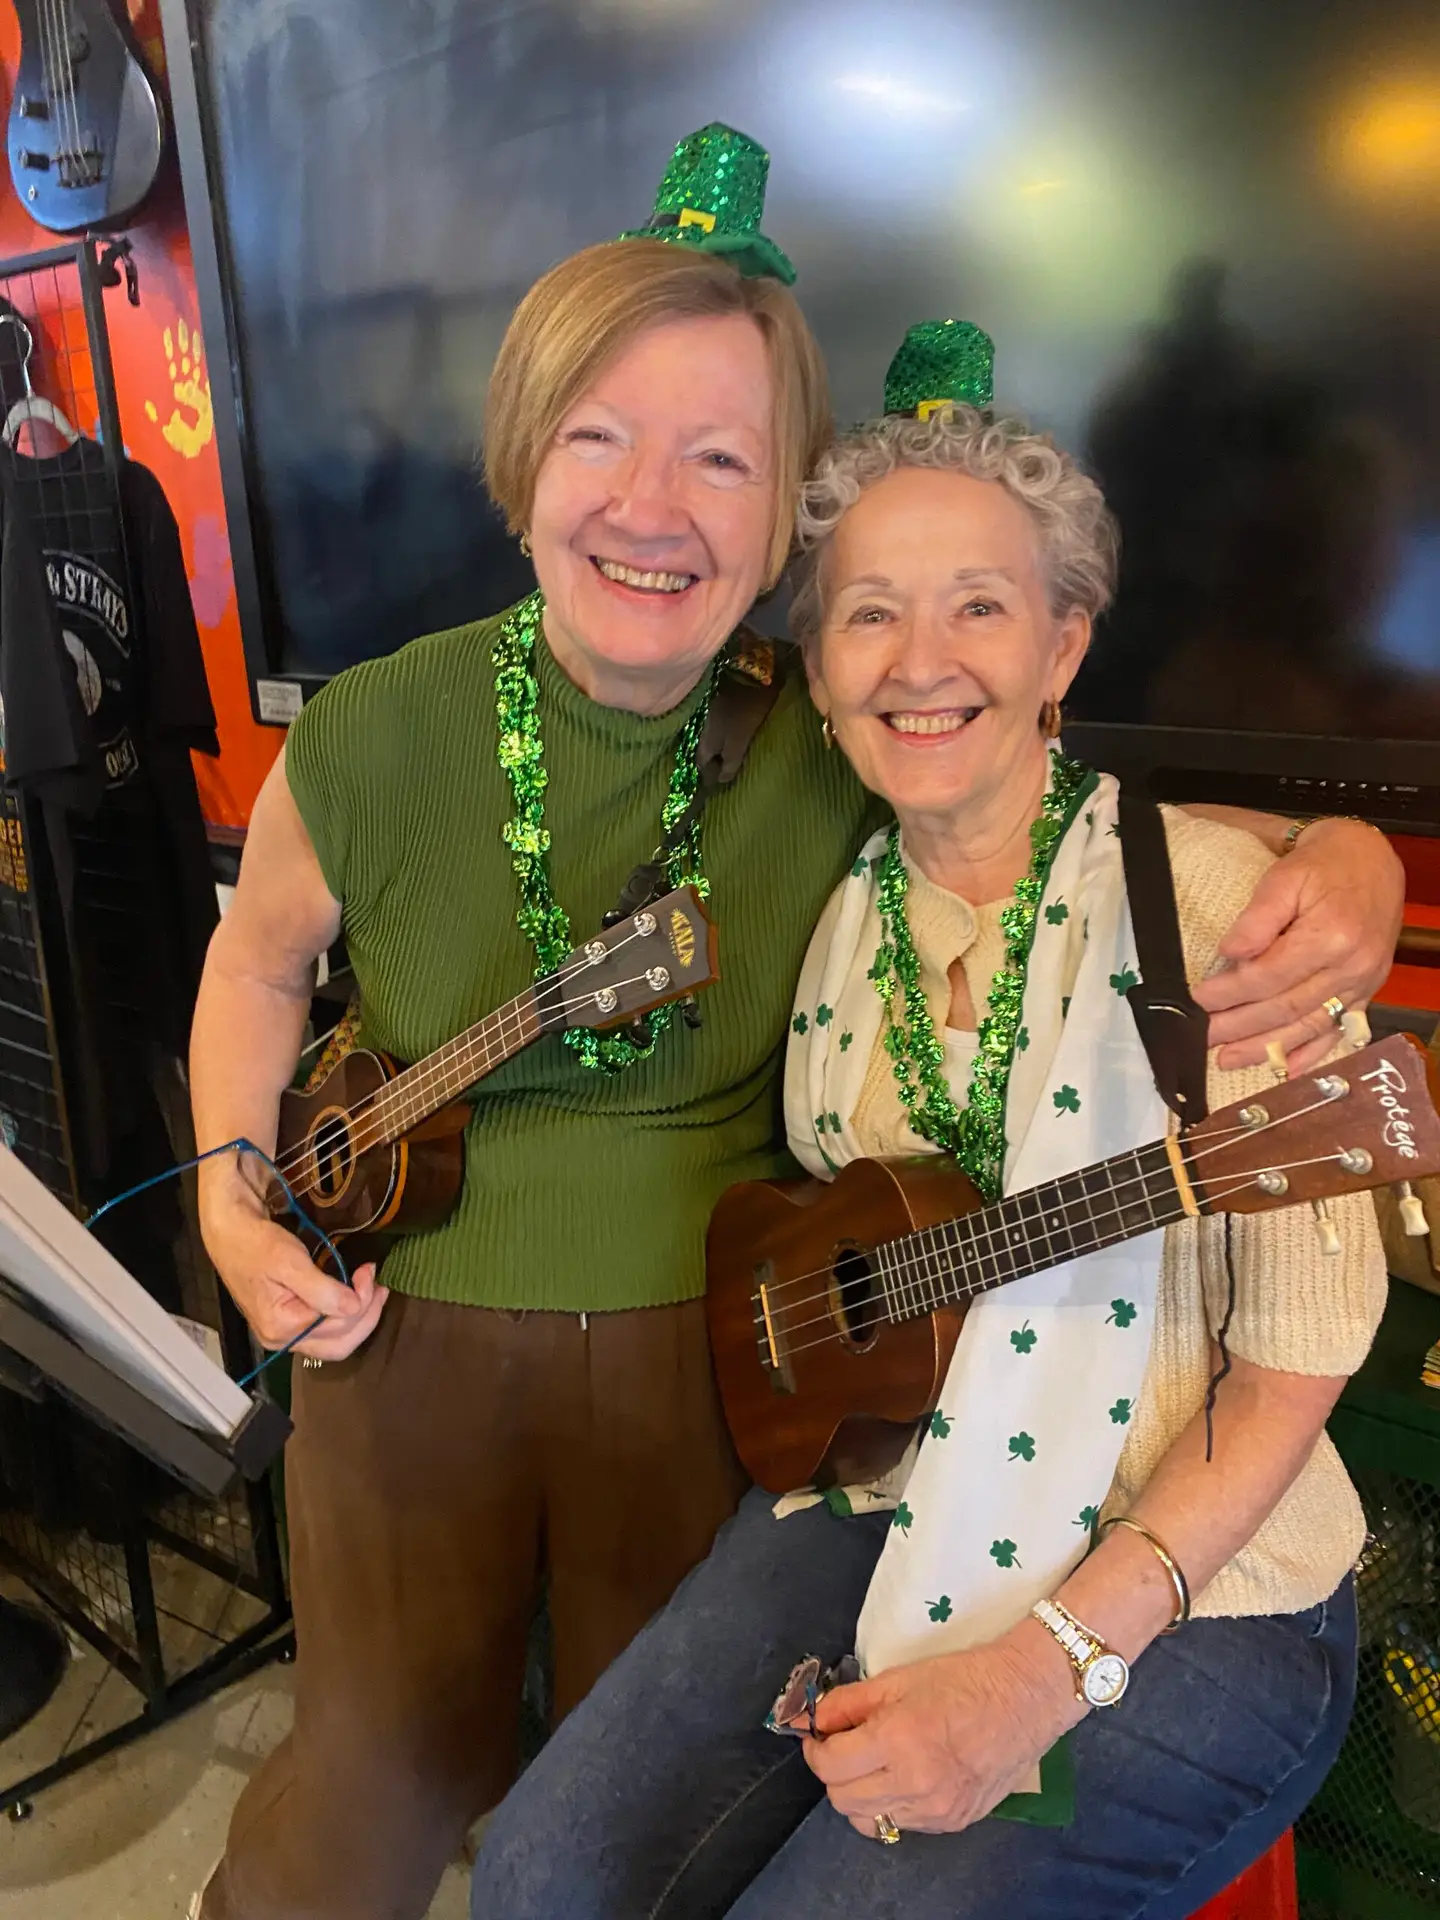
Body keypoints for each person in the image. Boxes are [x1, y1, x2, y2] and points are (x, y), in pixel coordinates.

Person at [190, 123, 1400, 1917]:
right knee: (449, 1833)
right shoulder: (472, 754)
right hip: (636, 1407)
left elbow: (1131, 847)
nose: (920, 662)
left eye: (721, 458)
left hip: (967, 1480)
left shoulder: (1090, 873)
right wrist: (230, 1199)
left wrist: (1341, 852)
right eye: (598, 437)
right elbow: (256, 963)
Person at [469, 327, 1391, 1920]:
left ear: (1064, 648)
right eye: (869, 614)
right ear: (820, 680)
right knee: (541, 1880)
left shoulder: (1227, 929)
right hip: (894, 1482)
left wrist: (1046, 1669)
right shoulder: (842, 928)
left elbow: (1290, 1377)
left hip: (1208, 1585)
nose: (920, 660)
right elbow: (833, 1220)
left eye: (979, 605)